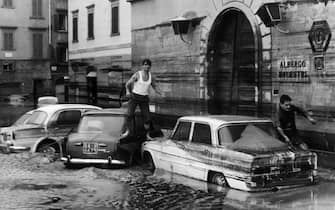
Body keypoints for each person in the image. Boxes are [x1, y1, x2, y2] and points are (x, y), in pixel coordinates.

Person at [125, 58, 162, 133]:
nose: (147, 66)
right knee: (129, 115)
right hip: (135, 97)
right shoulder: (137, 74)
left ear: (150, 67)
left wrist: (161, 93)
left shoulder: (151, 77)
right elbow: (127, 84)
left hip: (144, 98)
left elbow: (155, 86)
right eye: (145, 65)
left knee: (147, 118)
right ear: (142, 66)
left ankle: (147, 133)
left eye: (148, 65)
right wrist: (128, 92)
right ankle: (127, 131)